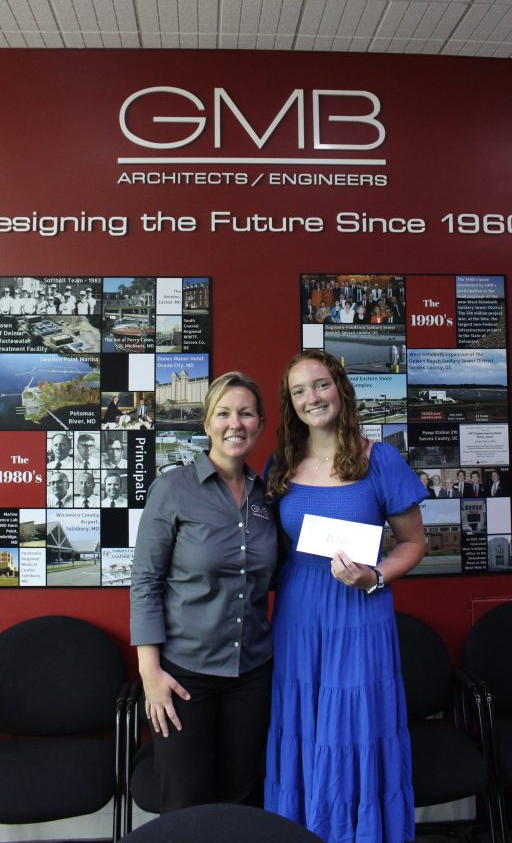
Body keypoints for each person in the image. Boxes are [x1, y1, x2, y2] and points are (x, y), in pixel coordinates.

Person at [264, 349, 426, 843]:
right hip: (298, 617)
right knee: (304, 727)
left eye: (320, 384)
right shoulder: (282, 464)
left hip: (359, 613)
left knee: (350, 728)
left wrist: (375, 576)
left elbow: (415, 544)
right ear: (290, 403)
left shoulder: (381, 460)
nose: (311, 397)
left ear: (340, 388)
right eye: (299, 391)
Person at [130, 372, 277, 814]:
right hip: (184, 677)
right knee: (185, 803)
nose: (236, 423)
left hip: (252, 672)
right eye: (224, 413)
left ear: (260, 424)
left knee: (244, 798)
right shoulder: (173, 489)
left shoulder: (267, 496)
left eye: (246, 414)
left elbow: (284, 573)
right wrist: (149, 673)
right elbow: (145, 582)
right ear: (207, 423)